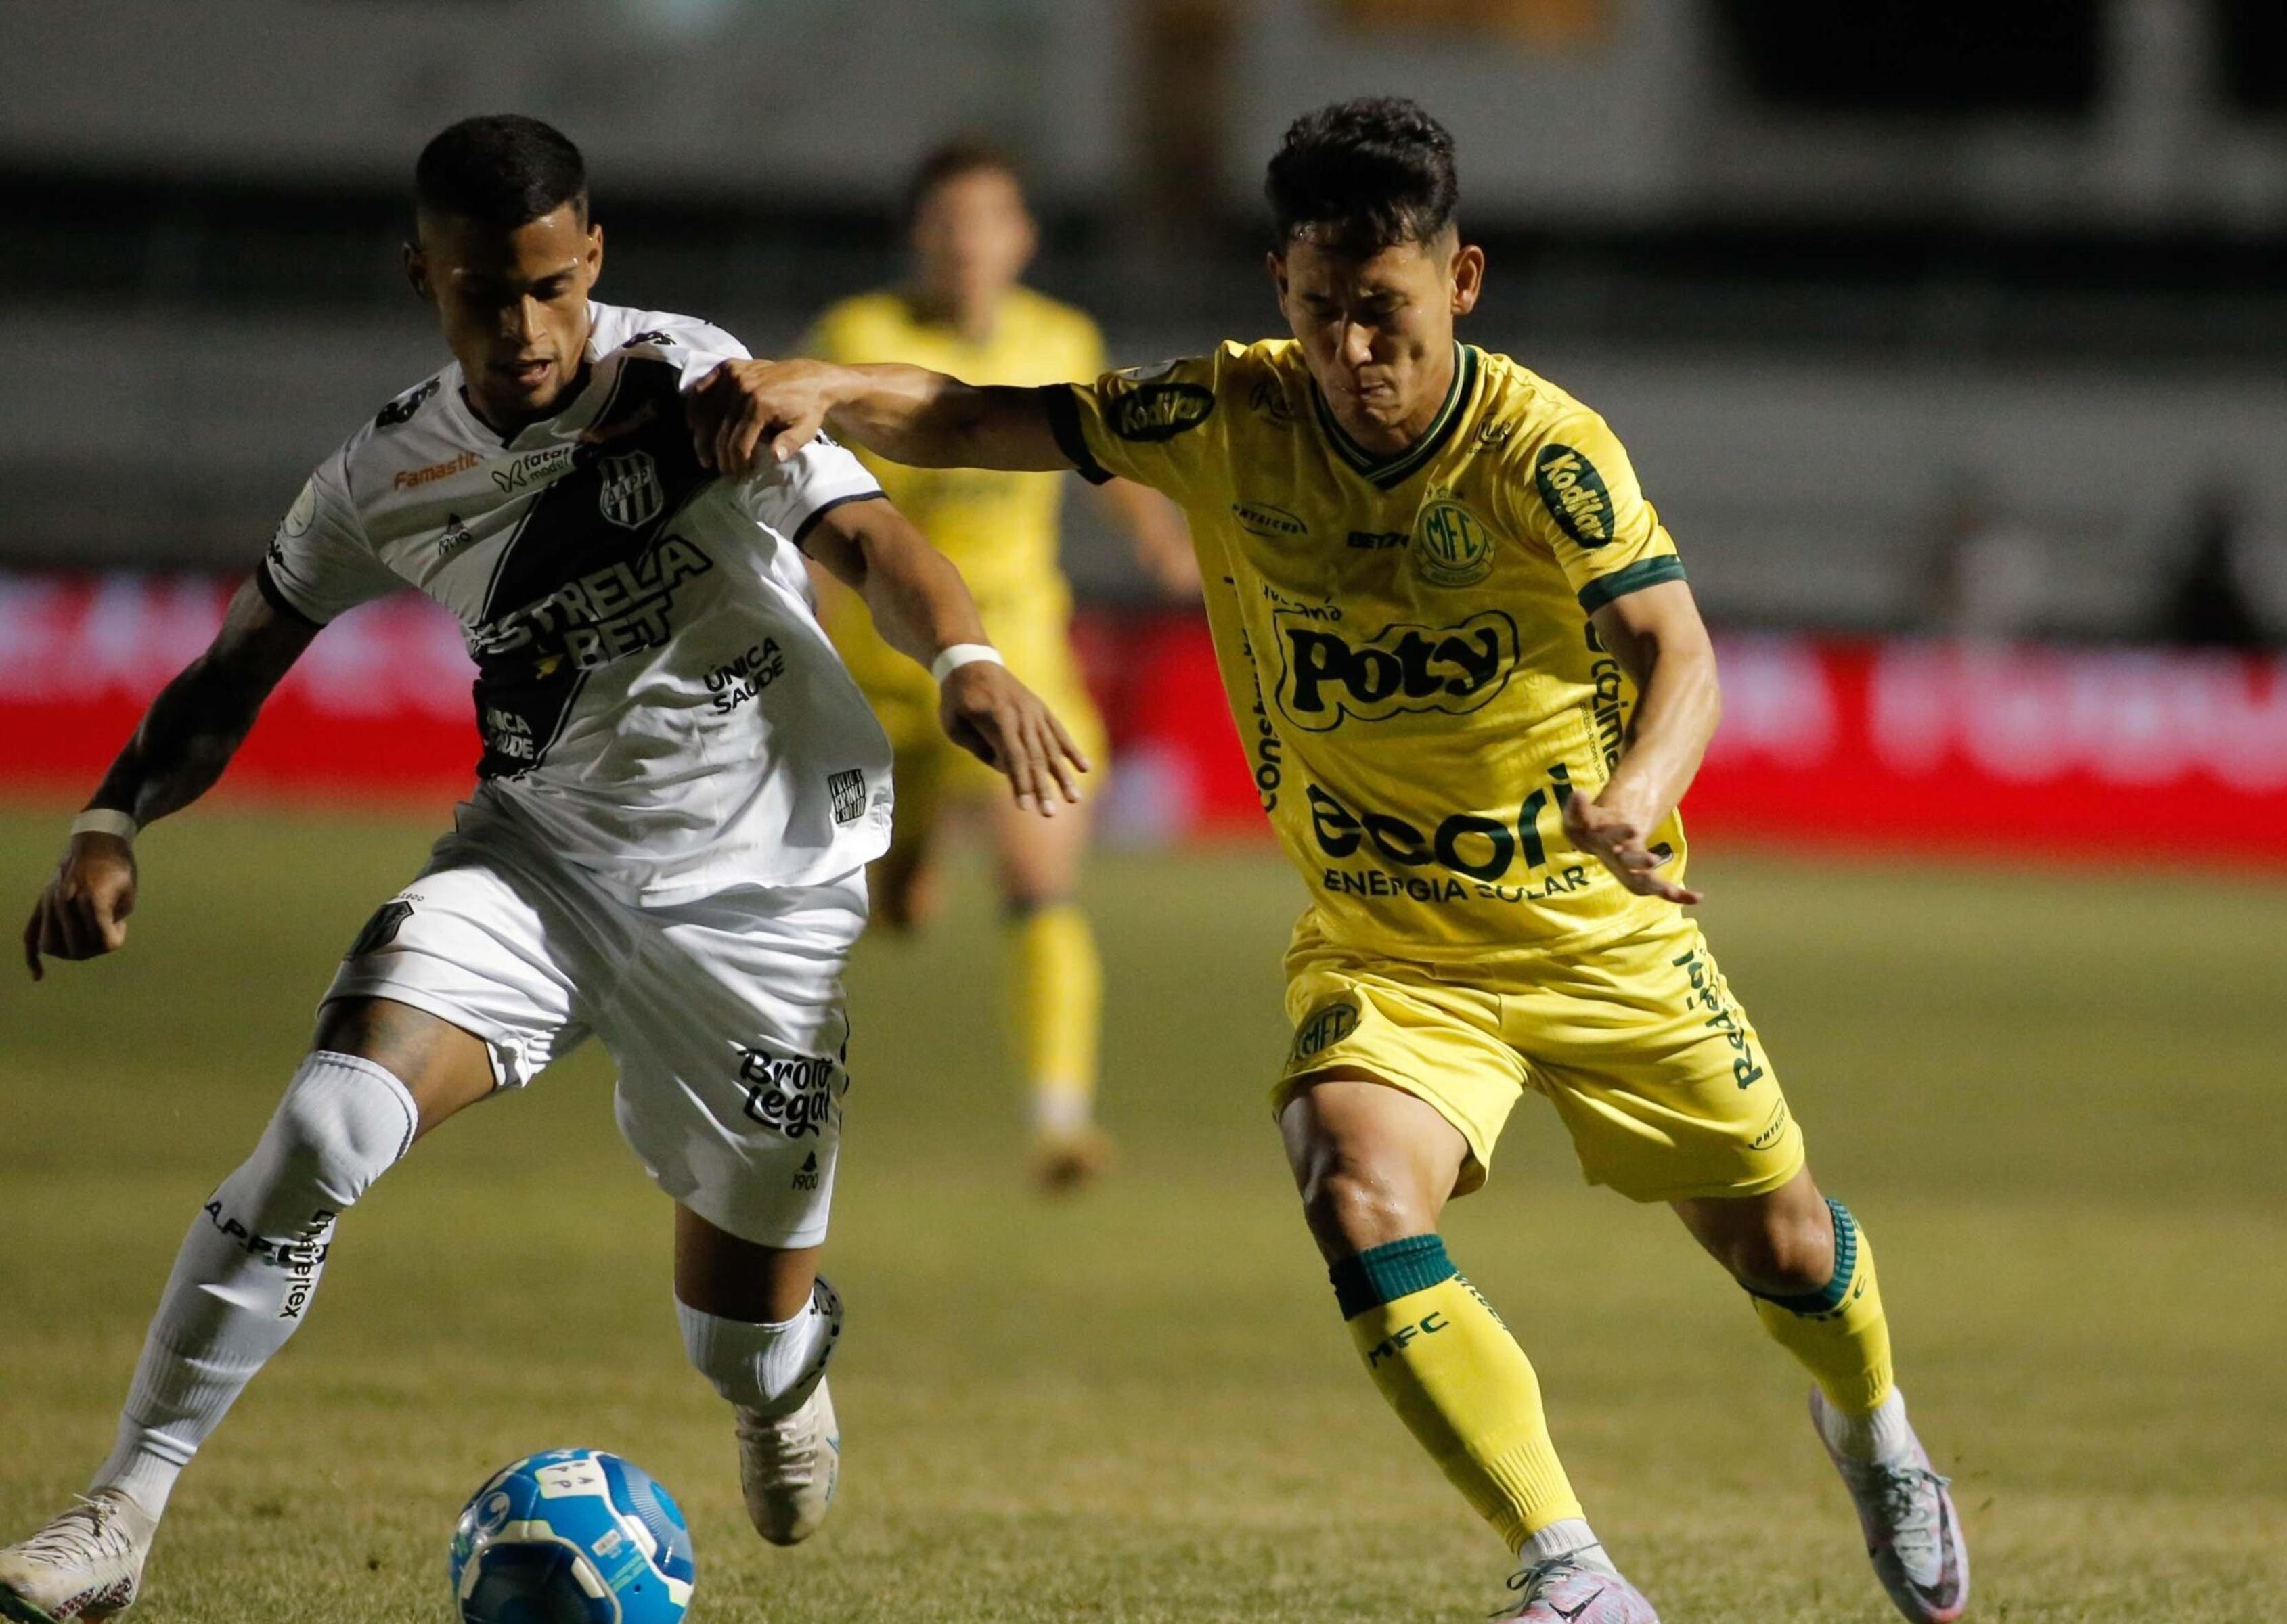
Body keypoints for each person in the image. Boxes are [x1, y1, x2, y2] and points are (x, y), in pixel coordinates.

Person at [687, 97, 1968, 1624]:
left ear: (1463, 282)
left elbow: (1674, 646)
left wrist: (1639, 790)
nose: (1355, 356)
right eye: (1319, 315)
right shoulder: (1229, 416)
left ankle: (1874, 1428)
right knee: (1352, 1184)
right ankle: (1569, 1571)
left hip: (1593, 928)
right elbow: (979, 416)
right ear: (1278, 290)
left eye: (1387, 316)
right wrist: (829, 382)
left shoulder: (1545, 451)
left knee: (1784, 1243)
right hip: (1391, 947)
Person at [5, 114, 1084, 1622]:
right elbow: (235, 663)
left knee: (738, 1340)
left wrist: (964, 656)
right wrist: (114, 820)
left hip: (766, 896)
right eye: (477, 295)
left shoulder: (689, 384)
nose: (521, 329)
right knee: (326, 1124)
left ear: (591, 259)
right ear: (422, 280)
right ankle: (120, 1513)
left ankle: (783, 1384)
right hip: (540, 867)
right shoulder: (390, 472)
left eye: (545, 288)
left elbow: (871, 542)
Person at [798, 138, 1194, 1190]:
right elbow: (808, 490)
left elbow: (1103, 441)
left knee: (1038, 883)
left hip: (1020, 658)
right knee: (900, 907)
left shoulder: (1060, 336)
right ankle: (908, 862)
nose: (968, 242)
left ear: (1020, 237)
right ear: (918, 237)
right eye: (947, 222)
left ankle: (1062, 1120)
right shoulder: (858, 339)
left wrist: (1160, 535)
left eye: (988, 221)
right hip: (885, 668)